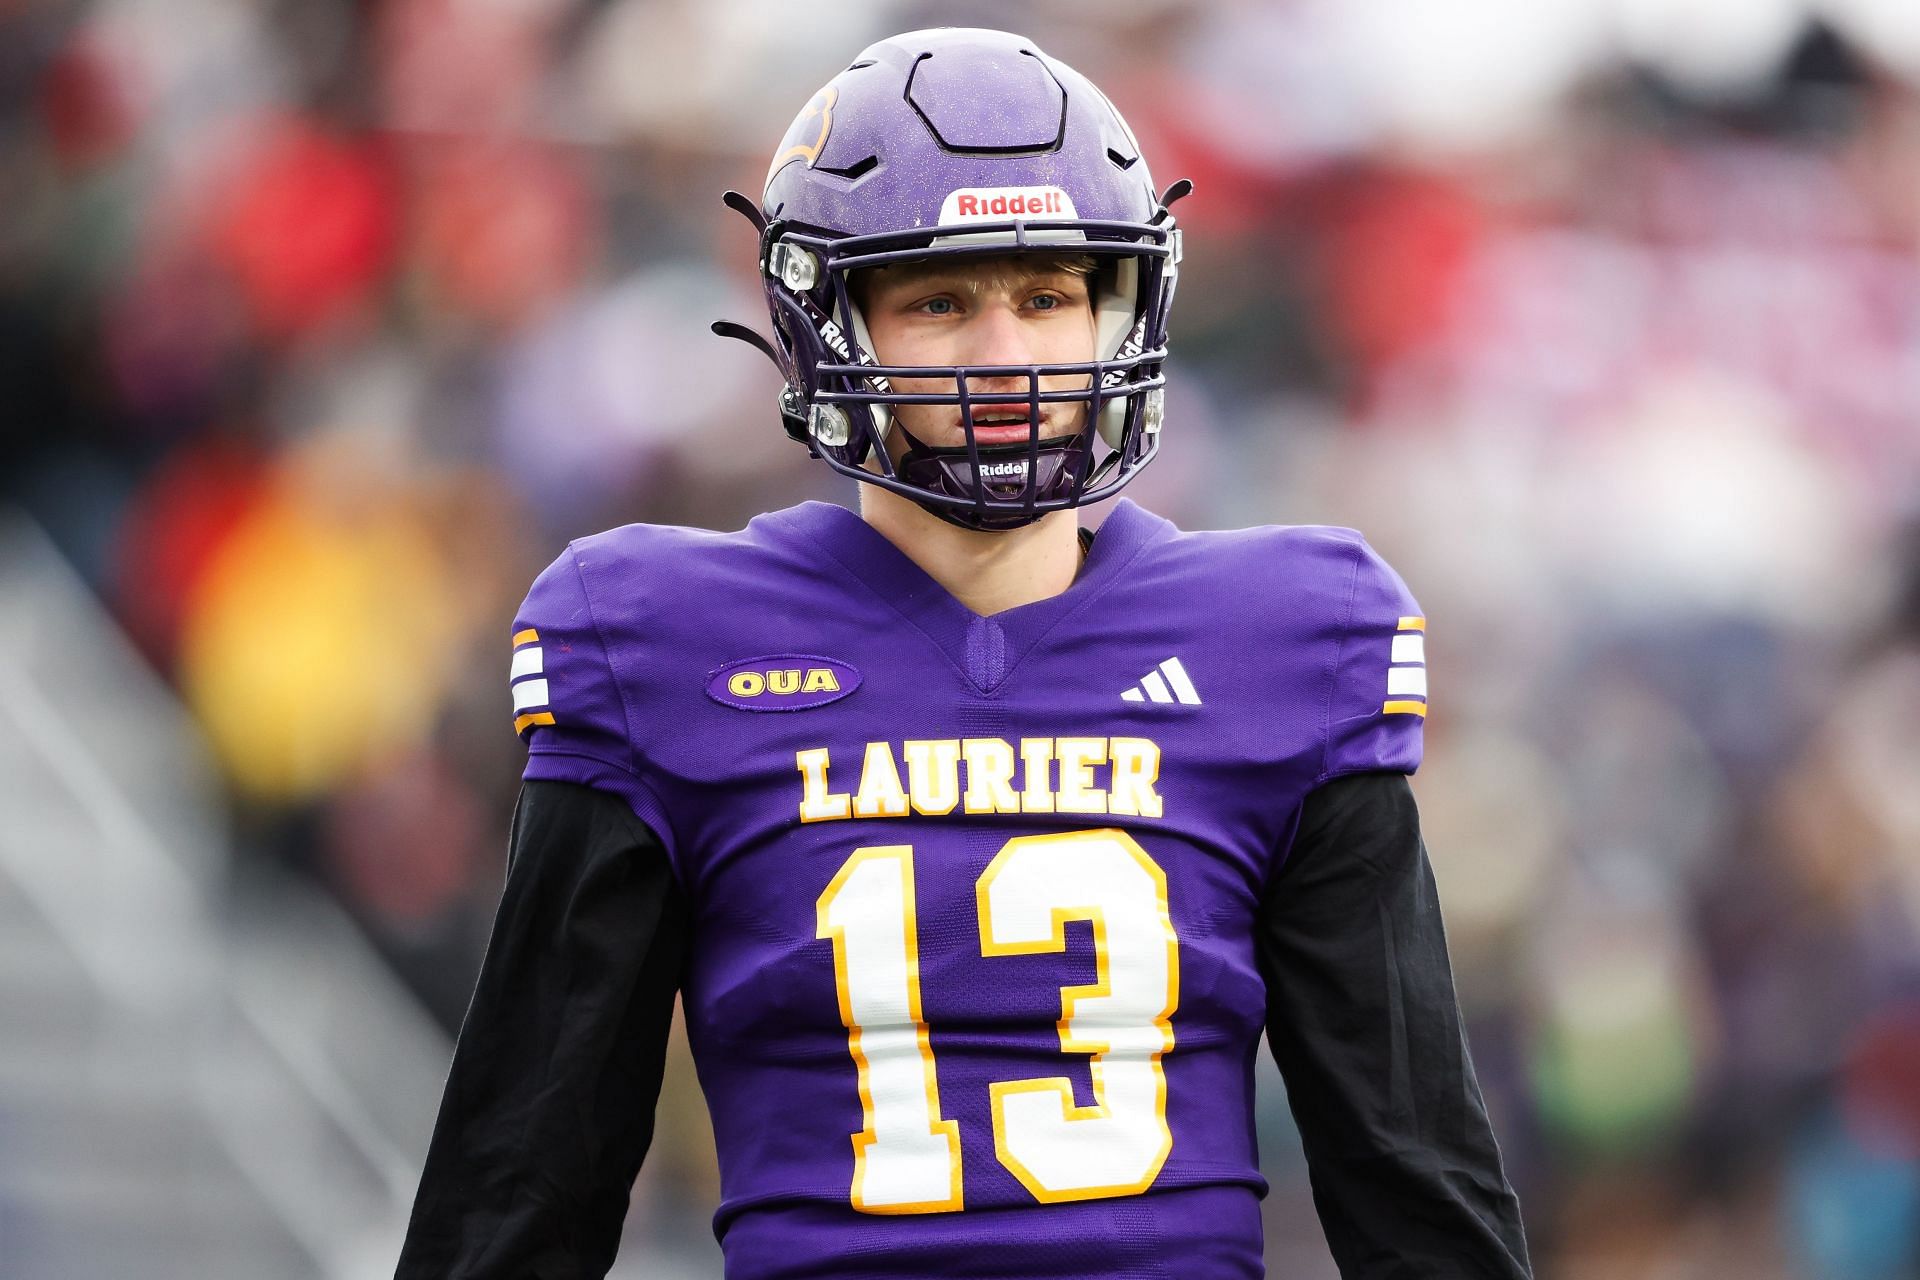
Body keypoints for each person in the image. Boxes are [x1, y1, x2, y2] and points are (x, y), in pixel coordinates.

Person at [396, 26, 1532, 1280]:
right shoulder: (663, 643)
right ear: (828, 322)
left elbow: (1414, 1180)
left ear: (1119, 311)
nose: (1005, 356)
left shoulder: (1286, 640)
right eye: (941, 298)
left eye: (1047, 296)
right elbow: (521, 1185)